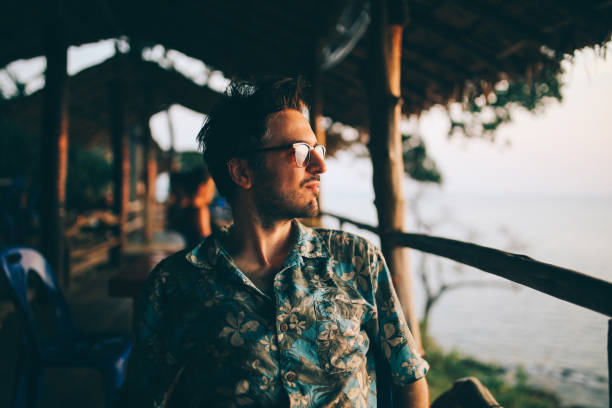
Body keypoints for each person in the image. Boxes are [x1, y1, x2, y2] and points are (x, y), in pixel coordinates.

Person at [117, 77, 429, 407]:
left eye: (317, 150)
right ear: (242, 172)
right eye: (300, 152)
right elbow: (142, 396)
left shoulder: (356, 258)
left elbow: (408, 374)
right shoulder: (176, 283)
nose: (320, 165)